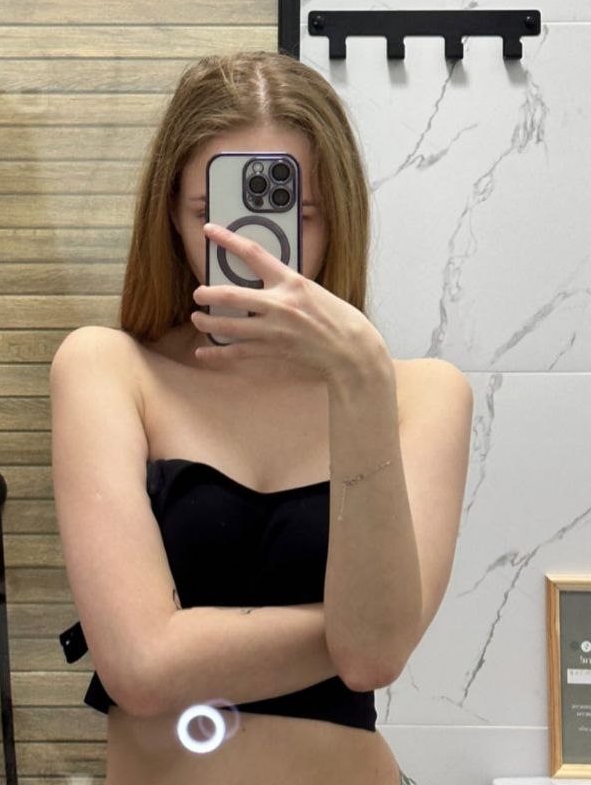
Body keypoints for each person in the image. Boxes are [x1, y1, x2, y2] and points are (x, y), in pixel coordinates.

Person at [52, 49, 470, 785]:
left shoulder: (418, 395)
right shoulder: (108, 369)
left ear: (337, 215)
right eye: (212, 214)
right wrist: (350, 628)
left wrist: (358, 377)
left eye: (293, 214)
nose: (249, 245)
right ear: (171, 215)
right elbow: (140, 669)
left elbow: (374, 658)